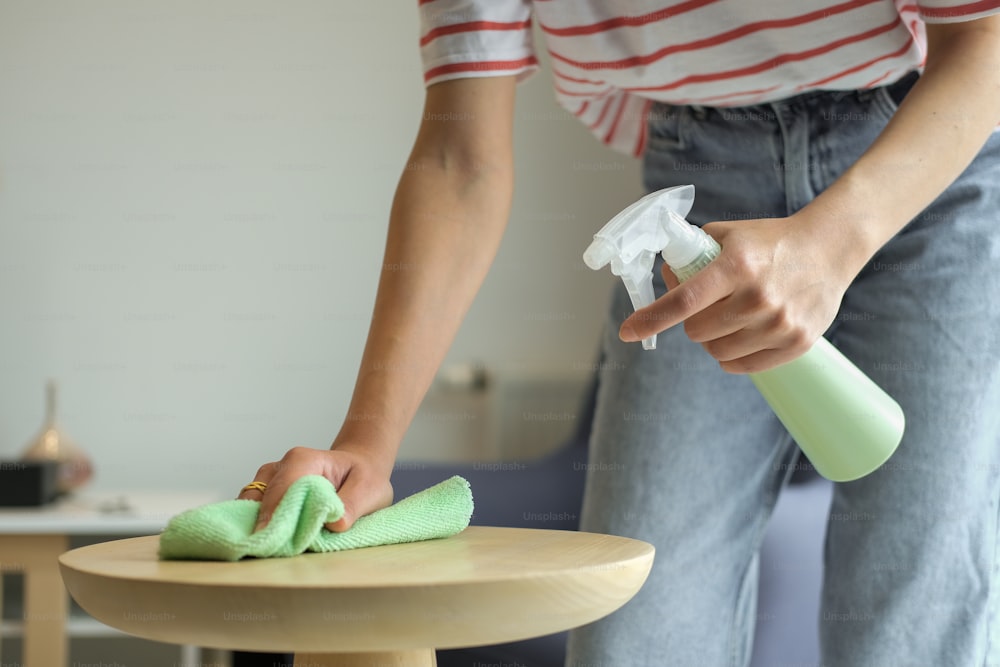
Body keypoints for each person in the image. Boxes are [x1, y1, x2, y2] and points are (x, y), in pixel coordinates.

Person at [239, 3, 1000, 665]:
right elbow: (458, 158)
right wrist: (368, 444)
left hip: (928, 154)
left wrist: (830, 243)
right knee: (634, 627)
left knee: (916, 617)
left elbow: (985, 41)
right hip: (695, 180)